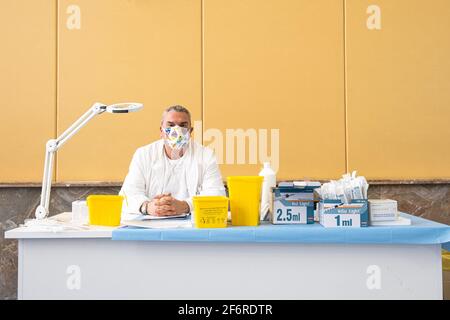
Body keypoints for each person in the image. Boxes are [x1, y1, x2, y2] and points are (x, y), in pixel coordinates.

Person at [120, 105, 225, 216]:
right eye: (171, 125)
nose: (177, 130)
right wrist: (147, 207)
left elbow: (217, 195)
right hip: (151, 226)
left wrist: (186, 206)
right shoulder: (144, 155)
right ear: (161, 130)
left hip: (191, 229)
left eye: (183, 125)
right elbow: (127, 195)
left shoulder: (206, 155)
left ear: (190, 131)